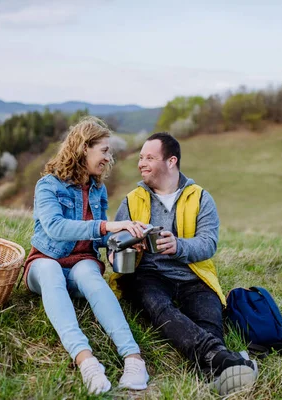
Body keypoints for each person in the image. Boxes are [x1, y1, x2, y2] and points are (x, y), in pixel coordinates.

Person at [110, 132, 258, 395]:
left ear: (171, 161)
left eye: (149, 158)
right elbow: (115, 242)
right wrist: (126, 246)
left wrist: (179, 246)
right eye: (141, 157)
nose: (141, 163)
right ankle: (223, 359)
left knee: (209, 319)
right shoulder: (132, 200)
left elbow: (208, 243)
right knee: (159, 308)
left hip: (193, 275)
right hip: (149, 275)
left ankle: (217, 365)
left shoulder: (201, 198)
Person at [23, 116, 149, 395]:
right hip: (45, 261)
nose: (108, 158)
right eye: (104, 150)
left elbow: (99, 234)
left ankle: (133, 358)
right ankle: (85, 360)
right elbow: (55, 228)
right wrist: (106, 225)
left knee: (90, 275)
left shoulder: (98, 189)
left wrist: (123, 239)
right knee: (50, 270)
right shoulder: (48, 185)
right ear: (83, 148)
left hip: (81, 263)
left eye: (109, 152)